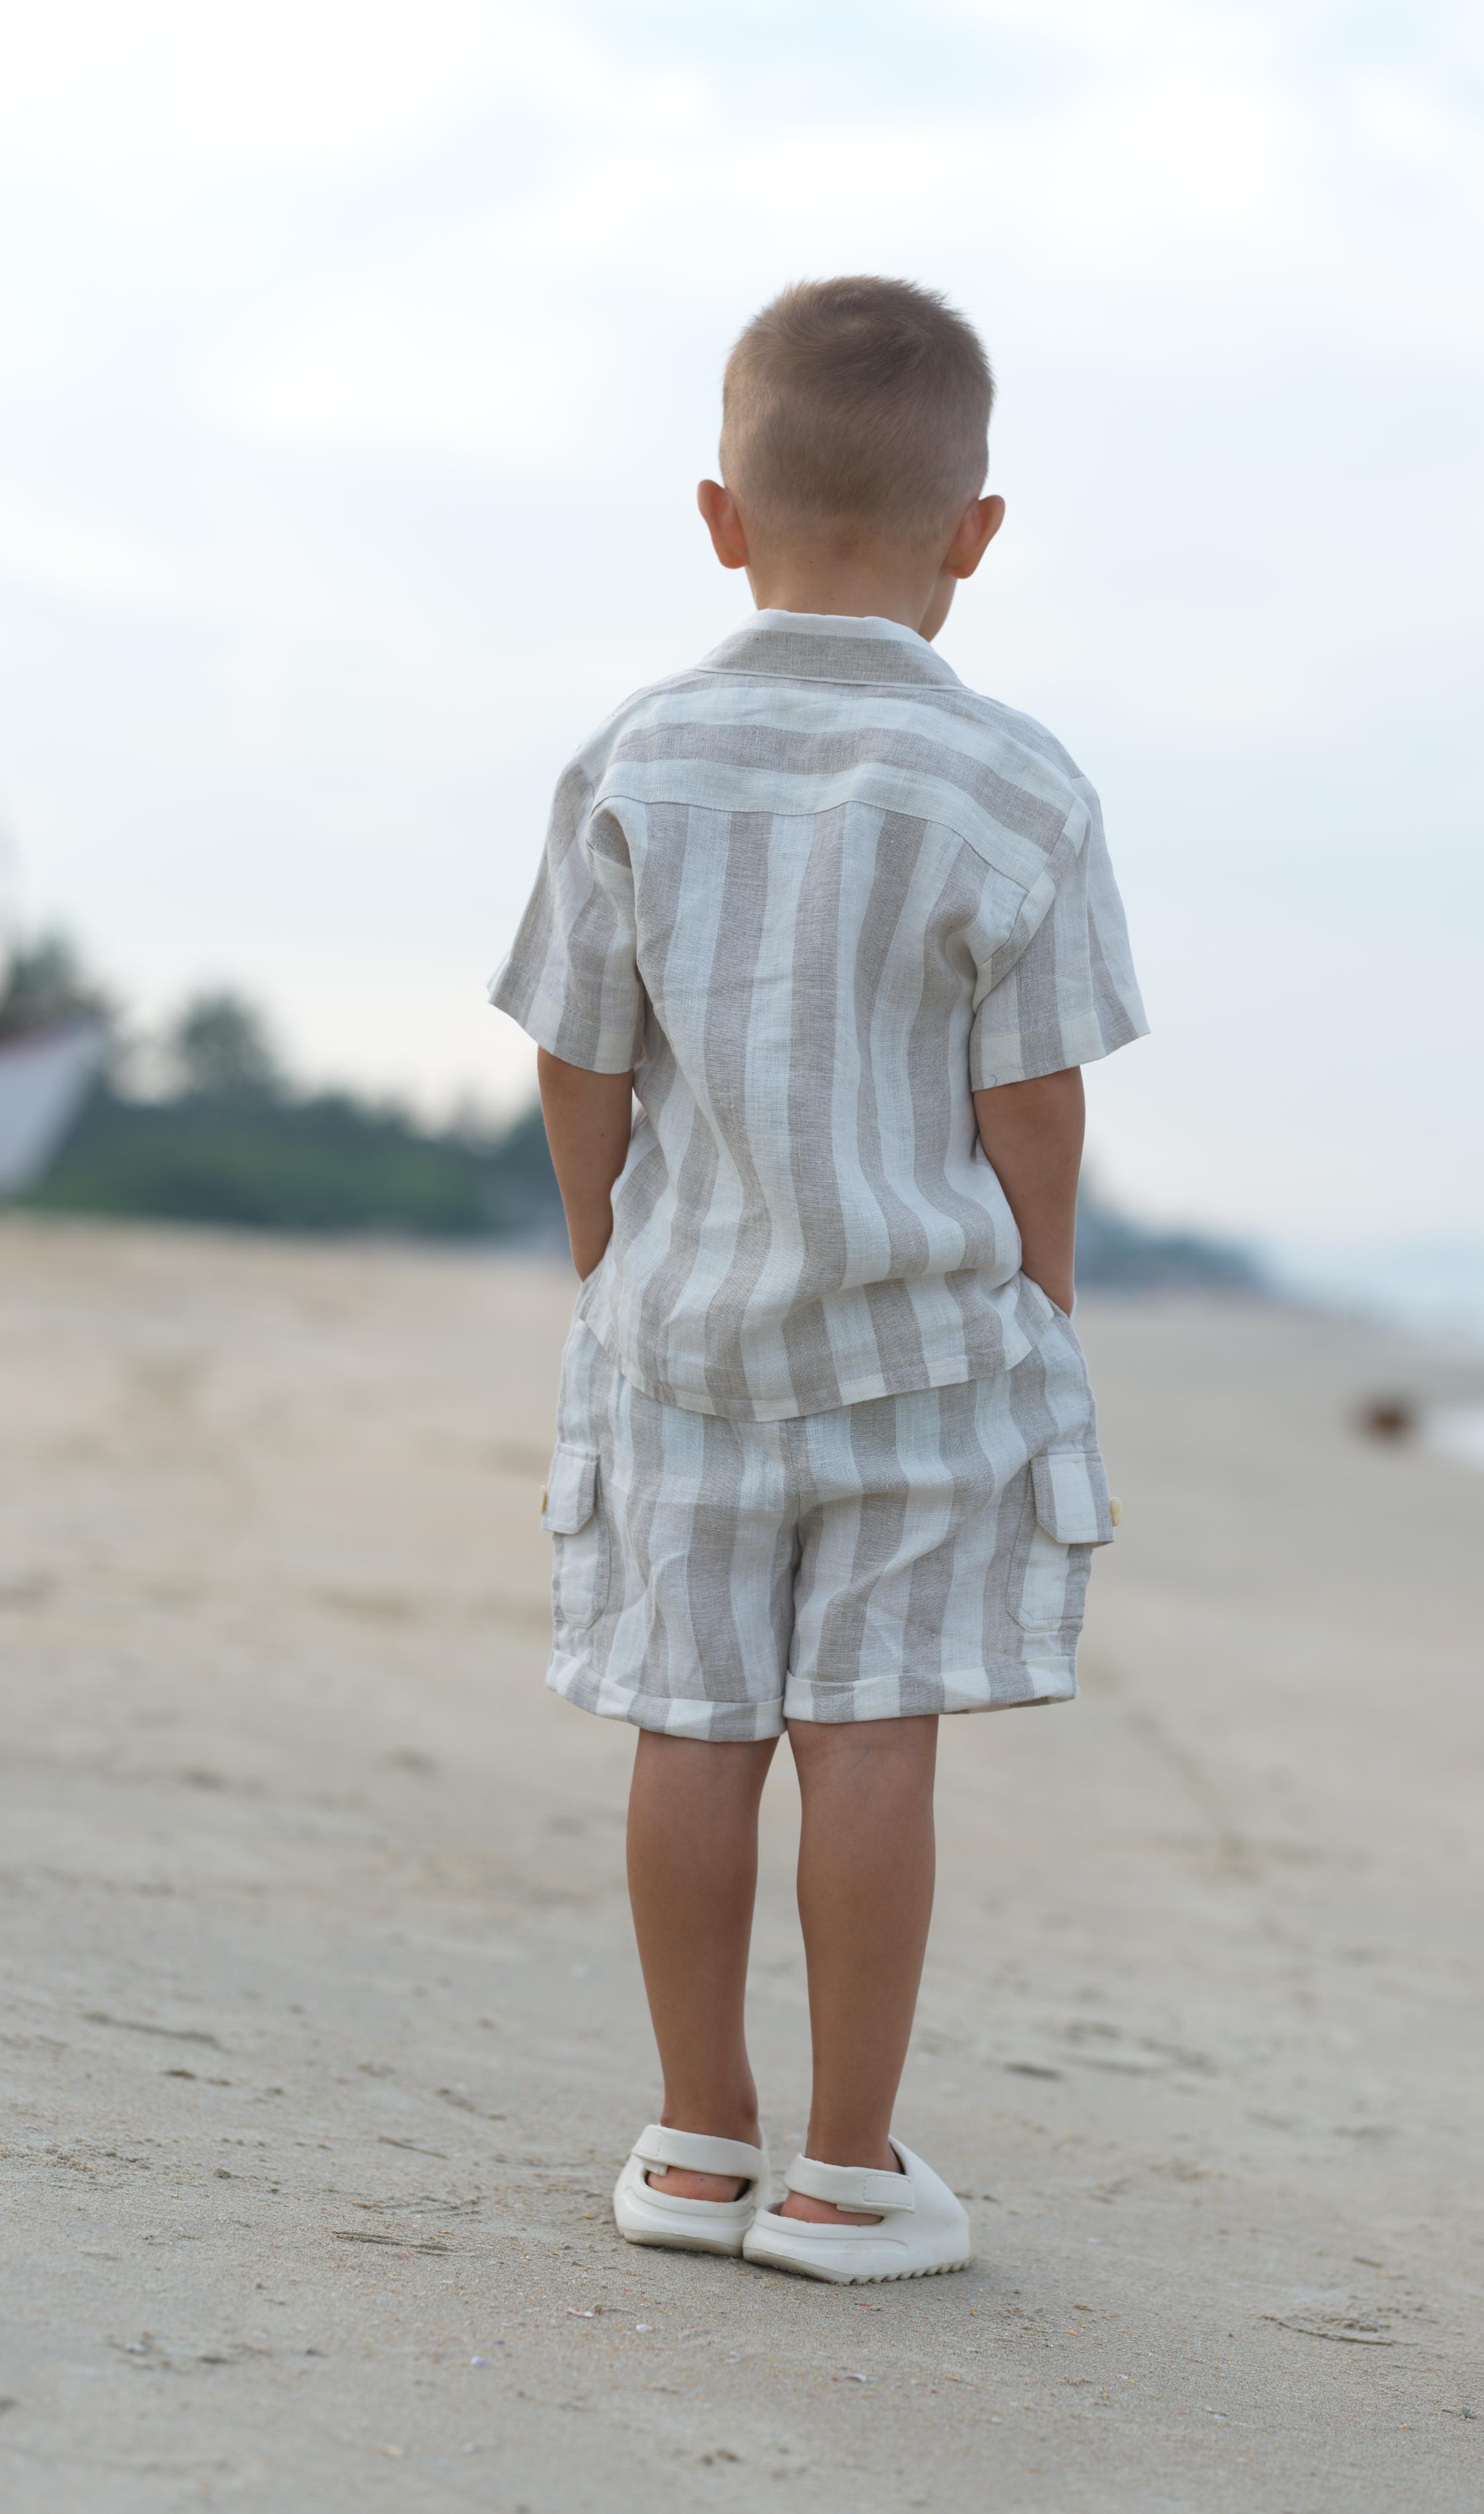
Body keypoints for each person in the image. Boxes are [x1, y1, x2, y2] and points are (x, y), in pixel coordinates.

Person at [490, 276, 1147, 2284]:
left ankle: (699, 2142)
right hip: (922, 1345)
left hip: (686, 1334)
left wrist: (609, 1251)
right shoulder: (1018, 785)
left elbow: (578, 1055)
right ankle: (850, 2173)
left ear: (720, 514)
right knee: (874, 1731)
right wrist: (1038, 1285)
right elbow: (1032, 1098)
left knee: (690, 1723)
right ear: (976, 532)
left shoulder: (635, 755)